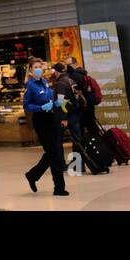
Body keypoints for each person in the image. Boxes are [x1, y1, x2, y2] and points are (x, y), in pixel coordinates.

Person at [22, 59, 68, 196]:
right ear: (30, 70)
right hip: (40, 120)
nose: (38, 69)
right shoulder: (30, 86)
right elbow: (26, 105)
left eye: (40, 67)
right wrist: (40, 107)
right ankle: (59, 188)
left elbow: (49, 99)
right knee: (54, 153)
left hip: (51, 118)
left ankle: (33, 175)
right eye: (35, 67)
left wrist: (57, 103)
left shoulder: (45, 82)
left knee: (53, 153)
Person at [51, 63, 82, 147]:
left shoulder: (60, 83)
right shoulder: (70, 80)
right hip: (74, 114)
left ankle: (60, 160)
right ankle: (78, 159)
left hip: (66, 116)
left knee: (58, 140)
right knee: (77, 140)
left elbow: (61, 102)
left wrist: (63, 118)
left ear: (56, 72)